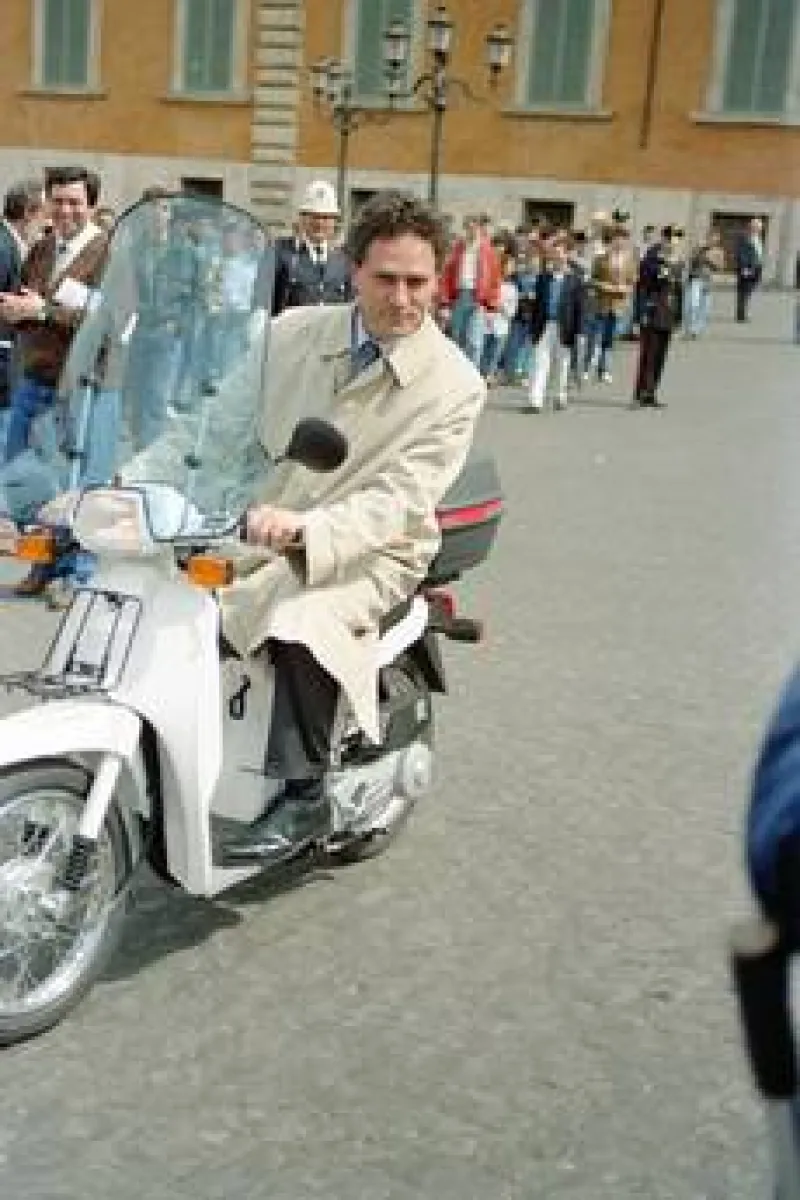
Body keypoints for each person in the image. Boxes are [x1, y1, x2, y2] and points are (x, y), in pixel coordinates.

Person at [216, 190, 486, 861]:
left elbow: (400, 498)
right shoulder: (290, 333)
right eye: (385, 278)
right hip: (260, 521)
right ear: (353, 269)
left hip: (376, 549)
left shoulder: (456, 385)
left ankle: (304, 791)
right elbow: (213, 423)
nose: (402, 298)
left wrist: (306, 530)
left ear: (438, 279)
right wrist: (125, 483)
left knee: (303, 619)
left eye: (417, 281)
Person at [0, 165, 110, 601]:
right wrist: (16, 310)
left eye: (74, 202)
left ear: (92, 206)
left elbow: (109, 321)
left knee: (75, 484)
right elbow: (29, 299)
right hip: (34, 379)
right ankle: (42, 564)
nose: (65, 210)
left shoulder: (109, 253)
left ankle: (77, 572)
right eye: (58, 201)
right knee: (25, 479)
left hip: (80, 388)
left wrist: (43, 311)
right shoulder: (43, 249)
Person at [0, 180, 46, 445]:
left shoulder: (12, 243)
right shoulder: (3, 246)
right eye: (44, 213)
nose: (47, 222)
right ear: (29, 212)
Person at [270, 180, 353, 315]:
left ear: (334, 221)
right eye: (314, 216)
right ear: (302, 218)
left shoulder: (343, 259)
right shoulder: (281, 252)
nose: (319, 223)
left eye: (326, 217)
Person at [523, 231, 585, 414]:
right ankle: (535, 400)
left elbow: (580, 308)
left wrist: (580, 332)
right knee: (539, 362)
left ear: (567, 255)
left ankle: (560, 396)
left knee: (562, 363)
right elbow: (536, 305)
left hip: (565, 327)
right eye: (554, 253)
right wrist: (532, 328)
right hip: (544, 325)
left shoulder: (575, 280)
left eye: (560, 253)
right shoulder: (543, 278)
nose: (557, 257)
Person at [439, 213, 501, 369]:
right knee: (456, 338)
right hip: (460, 295)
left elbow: (494, 280)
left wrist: (491, 307)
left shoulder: (488, 251)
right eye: (467, 227)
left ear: (479, 228)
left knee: (474, 342)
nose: (470, 231)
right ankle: (456, 373)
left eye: (474, 227)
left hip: (478, 298)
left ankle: (472, 376)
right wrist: (444, 304)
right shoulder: (458, 249)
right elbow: (446, 276)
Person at [632, 225, 684, 409]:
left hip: (668, 313)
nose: (674, 242)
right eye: (670, 238)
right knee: (648, 355)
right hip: (652, 312)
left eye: (677, 238)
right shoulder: (651, 259)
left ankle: (651, 392)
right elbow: (642, 288)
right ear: (663, 239)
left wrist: (678, 317)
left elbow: (678, 291)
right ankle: (640, 394)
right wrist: (639, 314)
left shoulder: (677, 261)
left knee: (661, 356)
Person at [683, 227, 724, 339]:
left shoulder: (719, 252)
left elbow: (720, 267)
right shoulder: (699, 249)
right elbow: (691, 261)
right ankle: (689, 328)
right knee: (693, 304)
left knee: (704, 307)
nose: (712, 240)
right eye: (711, 238)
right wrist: (699, 252)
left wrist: (710, 261)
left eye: (715, 238)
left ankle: (697, 329)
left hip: (708, 280)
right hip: (696, 279)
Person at [734, 217, 764, 323]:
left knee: (749, 291)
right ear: (751, 227)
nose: (758, 229)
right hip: (747, 268)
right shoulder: (744, 238)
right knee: (743, 292)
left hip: (757, 268)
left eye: (759, 227)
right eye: (756, 227)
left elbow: (759, 253)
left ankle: (743, 312)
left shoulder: (759, 239)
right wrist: (744, 267)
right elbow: (740, 253)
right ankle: (741, 315)